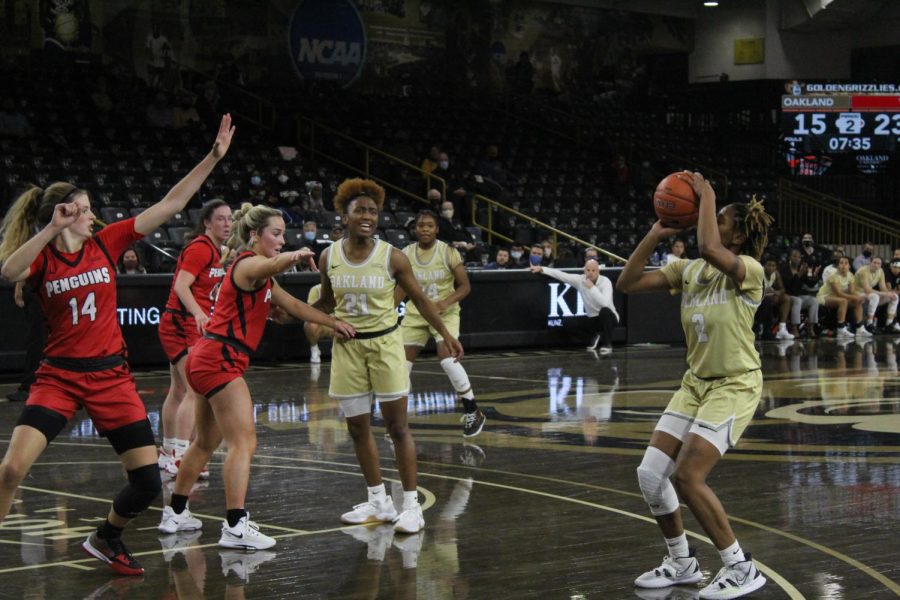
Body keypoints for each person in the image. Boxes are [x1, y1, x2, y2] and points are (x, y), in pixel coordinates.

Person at [0, 114, 236, 576]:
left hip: (110, 376)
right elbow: (8, 272)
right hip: (60, 377)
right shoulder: (44, 254)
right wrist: (49, 229)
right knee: (10, 470)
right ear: (60, 214)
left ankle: (106, 536)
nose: (91, 216)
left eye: (88, 209)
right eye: (82, 210)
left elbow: (170, 204)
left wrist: (212, 157)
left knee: (147, 483)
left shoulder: (107, 242)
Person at [157, 203, 355, 550]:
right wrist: (294, 255)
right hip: (221, 358)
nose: (281, 240)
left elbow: (293, 306)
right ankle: (235, 525)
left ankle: (175, 513)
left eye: (283, 235)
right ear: (254, 236)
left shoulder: (260, 275)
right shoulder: (249, 265)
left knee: (204, 443)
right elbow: (273, 263)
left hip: (206, 356)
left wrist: (331, 322)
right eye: (275, 234)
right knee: (244, 443)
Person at [616, 173, 771, 599]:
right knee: (650, 475)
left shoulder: (750, 272)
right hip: (695, 384)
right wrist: (655, 232)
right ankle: (681, 561)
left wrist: (707, 194)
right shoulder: (688, 271)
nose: (709, 220)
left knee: (687, 476)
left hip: (735, 385)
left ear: (738, 234)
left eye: (719, 218)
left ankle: (741, 568)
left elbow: (709, 246)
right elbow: (626, 284)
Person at [313, 178, 463, 535]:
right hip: (347, 349)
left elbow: (421, 300)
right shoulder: (328, 256)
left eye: (373, 211)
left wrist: (444, 333)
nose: (368, 216)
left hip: (385, 345)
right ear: (344, 215)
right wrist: (294, 314)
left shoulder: (392, 256)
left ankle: (411, 506)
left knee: (397, 427)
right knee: (357, 428)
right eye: (360, 210)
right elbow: (326, 305)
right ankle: (378, 501)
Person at [157, 199, 233, 479]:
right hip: (181, 323)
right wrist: (201, 314)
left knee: (178, 390)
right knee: (193, 391)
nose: (227, 223)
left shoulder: (215, 251)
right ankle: (179, 456)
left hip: (183, 323)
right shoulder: (201, 248)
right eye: (221, 219)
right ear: (206, 223)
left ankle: (167, 453)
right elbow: (180, 285)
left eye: (230, 219)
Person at [399, 210, 485, 437]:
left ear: (437, 229)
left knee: (448, 360)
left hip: (444, 312)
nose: (425, 229)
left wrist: (446, 302)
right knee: (400, 367)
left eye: (429, 225)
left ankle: (473, 410)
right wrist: (387, 309)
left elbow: (465, 286)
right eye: (420, 225)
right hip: (416, 313)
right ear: (415, 229)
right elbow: (402, 288)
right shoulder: (406, 253)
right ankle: (398, 421)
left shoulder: (448, 252)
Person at [532, 258, 619, 354]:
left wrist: (592, 288)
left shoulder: (605, 282)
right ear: (584, 270)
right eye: (588, 270)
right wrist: (542, 269)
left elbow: (605, 303)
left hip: (610, 318)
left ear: (598, 271)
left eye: (593, 270)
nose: (590, 273)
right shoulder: (580, 280)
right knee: (568, 322)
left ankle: (607, 344)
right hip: (593, 319)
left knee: (605, 311)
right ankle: (594, 335)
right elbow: (562, 275)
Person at [6, 280, 46, 403]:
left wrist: (19, 286)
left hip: (45, 286)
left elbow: (12, 270)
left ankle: (30, 387)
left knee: (39, 338)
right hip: (68, 285)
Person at [816, 256, 870, 339]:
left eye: (846, 263)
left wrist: (860, 296)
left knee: (857, 302)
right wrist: (855, 297)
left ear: (849, 266)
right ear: (838, 266)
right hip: (824, 296)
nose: (844, 265)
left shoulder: (850, 275)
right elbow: (839, 293)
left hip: (837, 297)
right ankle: (841, 329)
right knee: (843, 301)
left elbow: (851, 291)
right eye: (841, 263)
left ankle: (860, 328)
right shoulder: (833, 276)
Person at [780, 248, 819, 337]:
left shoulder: (801, 268)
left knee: (813, 301)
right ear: (790, 257)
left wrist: (814, 277)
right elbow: (789, 286)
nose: (797, 259)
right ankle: (794, 328)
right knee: (797, 300)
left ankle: (811, 327)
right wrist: (799, 274)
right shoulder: (784, 268)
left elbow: (810, 284)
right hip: (787, 296)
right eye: (795, 256)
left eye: (799, 257)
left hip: (798, 296)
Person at [855, 256, 900, 332]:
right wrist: (885, 294)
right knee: (875, 296)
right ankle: (870, 324)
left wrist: (889, 293)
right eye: (874, 263)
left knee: (894, 297)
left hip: (868, 294)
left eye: (879, 263)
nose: (876, 265)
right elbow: (867, 290)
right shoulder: (863, 271)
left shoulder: (880, 271)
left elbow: (883, 287)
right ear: (870, 263)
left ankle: (889, 324)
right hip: (857, 292)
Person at [760, 256, 794, 341]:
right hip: (758, 298)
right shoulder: (759, 272)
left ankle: (782, 328)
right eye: (769, 265)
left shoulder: (776, 274)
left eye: (773, 265)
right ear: (764, 266)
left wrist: (777, 292)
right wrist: (765, 291)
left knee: (786, 298)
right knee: (769, 301)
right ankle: (762, 328)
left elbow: (782, 289)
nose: (771, 268)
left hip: (769, 297)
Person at [304, 283, 332, 364]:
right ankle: (314, 348)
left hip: (341, 322)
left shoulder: (343, 289)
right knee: (310, 324)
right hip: (325, 324)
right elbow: (310, 314)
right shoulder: (316, 289)